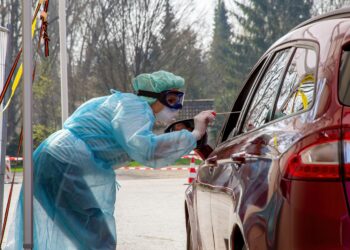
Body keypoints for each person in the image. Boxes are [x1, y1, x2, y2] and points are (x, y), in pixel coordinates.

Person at [6, 70, 215, 250]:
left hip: (53, 157)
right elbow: (147, 150)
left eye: (179, 100)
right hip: (64, 161)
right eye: (171, 100)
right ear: (152, 97)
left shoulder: (123, 103)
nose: (177, 107)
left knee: (74, 232)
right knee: (96, 235)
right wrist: (195, 134)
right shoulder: (135, 108)